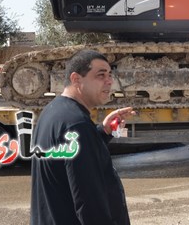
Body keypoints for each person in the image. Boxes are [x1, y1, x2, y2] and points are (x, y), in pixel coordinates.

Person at [31, 49, 134, 225]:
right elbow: (89, 204)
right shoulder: (77, 125)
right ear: (76, 79)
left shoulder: (53, 112)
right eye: (100, 75)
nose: (109, 81)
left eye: (110, 75)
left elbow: (71, 160)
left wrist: (102, 131)